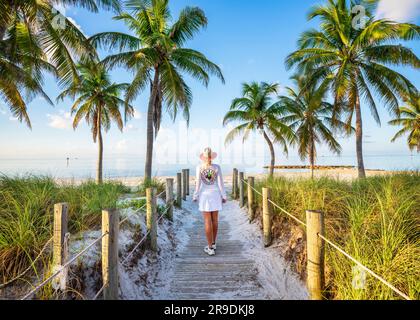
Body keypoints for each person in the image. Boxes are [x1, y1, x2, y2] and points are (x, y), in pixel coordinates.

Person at [193, 147, 227, 256]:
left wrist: (195, 195)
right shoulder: (217, 167)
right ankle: (213, 242)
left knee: (207, 221)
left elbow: (198, 184)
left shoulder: (199, 167)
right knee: (215, 220)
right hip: (215, 194)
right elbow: (221, 183)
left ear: (203, 157)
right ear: (211, 156)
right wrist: (224, 195)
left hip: (204, 195)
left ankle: (210, 248)